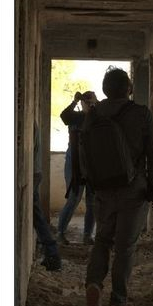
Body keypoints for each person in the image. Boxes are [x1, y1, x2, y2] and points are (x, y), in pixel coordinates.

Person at [85, 66, 153, 306]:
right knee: (125, 247)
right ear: (128, 88)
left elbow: (84, 151)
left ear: (105, 89)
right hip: (133, 188)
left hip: (103, 189)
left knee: (102, 240)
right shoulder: (141, 114)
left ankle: (93, 284)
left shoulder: (94, 114)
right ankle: (118, 302)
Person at [58, 90, 97, 245]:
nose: (89, 105)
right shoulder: (76, 117)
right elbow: (64, 115)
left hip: (92, 164)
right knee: (74, 198)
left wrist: (95, 103)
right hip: (74, 162)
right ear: (82, 103)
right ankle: (60, 233)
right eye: (86, 102)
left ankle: (87, 235)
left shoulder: (97, 117)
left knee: (92, 201)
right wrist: (75, 101)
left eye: (92, 102)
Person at [33, 121, 62, 271]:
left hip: (32, 173)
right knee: (37, 217)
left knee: (38, 218)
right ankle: (52, 253)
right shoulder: (33, 123)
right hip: (35, 172)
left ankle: (52, 254)